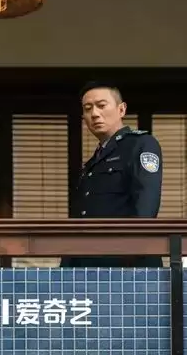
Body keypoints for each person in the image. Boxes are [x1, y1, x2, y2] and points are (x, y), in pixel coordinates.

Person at [61, 80, 163, 268]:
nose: (94, 114)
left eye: (101, 105)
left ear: (121, 109)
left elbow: (146, 204)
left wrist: (133, 252)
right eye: (87, 108)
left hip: (126, 262)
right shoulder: (93, 162)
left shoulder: (141, 144)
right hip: (89, 262)